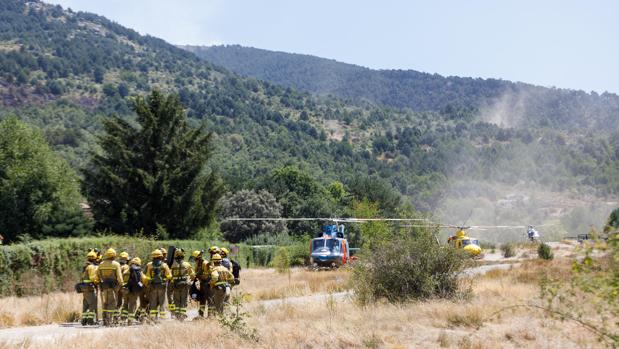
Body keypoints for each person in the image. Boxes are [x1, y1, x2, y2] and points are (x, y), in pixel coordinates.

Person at [95, 248, 123, 326]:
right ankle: (110, 321)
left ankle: (105, 320)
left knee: (105, 303)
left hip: (103, 287)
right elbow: (119, 277)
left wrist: (99, 283)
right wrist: (121, 285)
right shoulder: (116, 264)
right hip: (113, 287)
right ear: (114, 255)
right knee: (112, 303)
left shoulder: (101, 264)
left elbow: (97, 276)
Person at [144, 249, 172, 321]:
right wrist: (165, 280)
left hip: (153, 286)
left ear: (153, 257)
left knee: (153, 302)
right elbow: (169, 276)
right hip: (162, 286)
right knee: (162, 302)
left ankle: (153, 318)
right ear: (161, 256)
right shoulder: (164, 265)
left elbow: (147, 276)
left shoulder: (150, 265)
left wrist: (147, 283)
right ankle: (162, 318)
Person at [170, 249, 195, 320]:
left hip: (175, 285)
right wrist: (191, 281)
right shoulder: (186, 264)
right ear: (183, 255)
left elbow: (170, 275)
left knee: (177, 300)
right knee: (184, 300)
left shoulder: (172, 265)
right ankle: (182, 315)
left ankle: (177, 315)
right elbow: (192, 274)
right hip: (184, 285)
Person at [121, 257, 147, 325]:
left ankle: (122, 320)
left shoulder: (126, 270)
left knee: (125, 304)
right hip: (134, 291)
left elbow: (122, 279)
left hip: (125, 290)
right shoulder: (139, 271)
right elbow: (144, 280)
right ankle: (130, 321)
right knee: (132, 305)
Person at [80, 250, 99, 326]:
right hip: (90, 287)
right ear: (94, 258)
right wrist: (97, 282)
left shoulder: (85, 266)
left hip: (84, 287)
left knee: (85, 304)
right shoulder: (91, 267)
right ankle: (90, 321)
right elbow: (92, 278)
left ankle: (84, 321)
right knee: (93, 304)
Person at [192, 250, 210, 318]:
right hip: (202, 283)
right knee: (202, 299)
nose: (195, 260)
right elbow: (196, 272)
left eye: (195, 258)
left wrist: (198, 276)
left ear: (198, 258)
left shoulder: (205, 263)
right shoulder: (198, 264)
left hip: (207, 284)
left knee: (209, 299)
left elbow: (206, 275)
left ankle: (210, 316)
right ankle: (201, 314)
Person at [116, 251, 130, 319]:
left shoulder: (116, 265)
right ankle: (123, 317)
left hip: (116, 287)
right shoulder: (126, 267)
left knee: (118, 302)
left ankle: (115, 317)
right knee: (125, 302)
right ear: (126, 259)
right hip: (124, 287)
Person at [160, 247, 173, 317]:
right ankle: (172, 313)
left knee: (167, 298)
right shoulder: (167, 261)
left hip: (166, 282)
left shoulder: (165, 262)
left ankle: (172, 312)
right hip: (167, 281)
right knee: (169, 298)